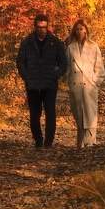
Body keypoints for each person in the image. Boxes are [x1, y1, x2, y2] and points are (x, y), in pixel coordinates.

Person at [16, 13, 67, 148]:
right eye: (39, 27)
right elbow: (20, 62)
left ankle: (48, 142)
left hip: (49, 83)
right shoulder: (27, 42)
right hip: (33, 84)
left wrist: (56, 74)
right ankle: (38, 140)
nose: (42, 30)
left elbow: (63, 63)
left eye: (44, 27)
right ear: (35, 27)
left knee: (50, 112)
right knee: (34, 114)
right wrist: (26, 77)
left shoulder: (55, 42)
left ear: (47, 27)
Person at [66, 18, 105, 148]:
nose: (79, 31)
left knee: (90, 114)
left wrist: (95, 82)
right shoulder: (70, 48)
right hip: (76, 86)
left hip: (89, 85)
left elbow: (100, 67)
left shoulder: (93, 46)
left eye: (81, 29)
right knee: (79, 115)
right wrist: (69, 84)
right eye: (77, 29)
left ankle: (90, 142)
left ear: (86, 30)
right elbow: (67, 68)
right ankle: (80, 142)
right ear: (74, 31)